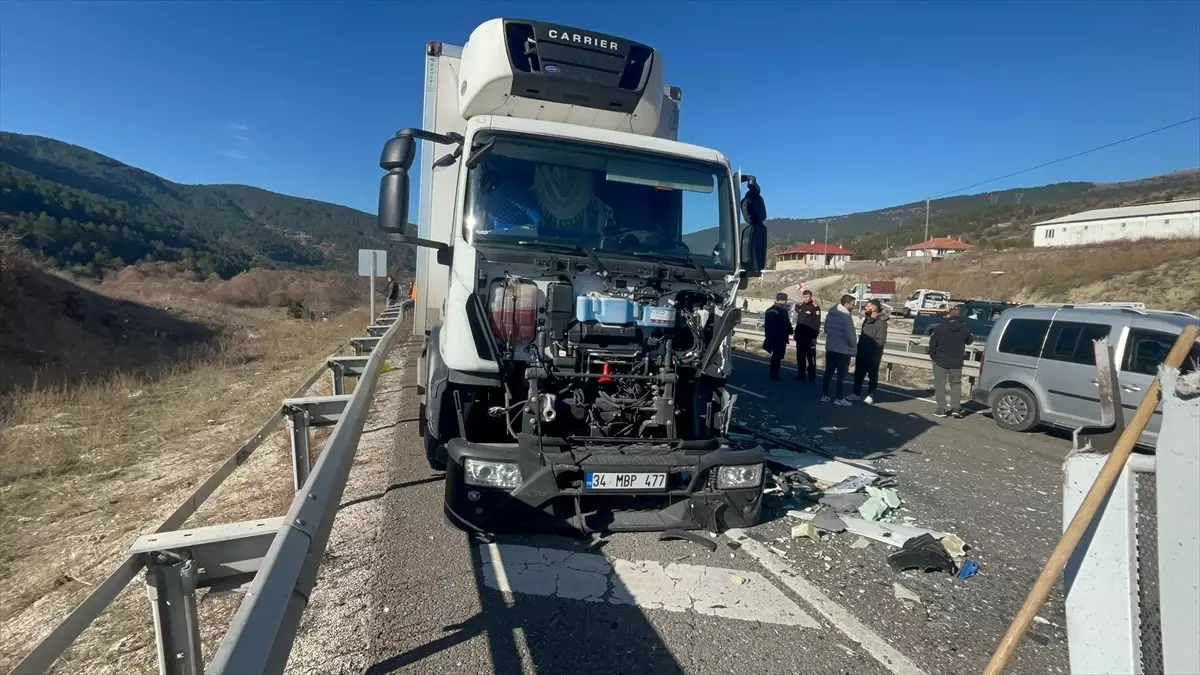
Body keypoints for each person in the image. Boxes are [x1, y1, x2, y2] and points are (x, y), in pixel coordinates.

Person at [927, 305, 975, 418]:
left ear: (948, 315)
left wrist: (932, 355)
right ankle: (956, 409)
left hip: (940, 360)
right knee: (956, 385)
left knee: (940, 385)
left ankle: (941, 409)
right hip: (956, 361)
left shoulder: (939, 327)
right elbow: (969, 341)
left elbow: (932, 344)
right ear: (959, 316)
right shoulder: (964, 328)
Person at [849, 299, 888, 403]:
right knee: (859, 373)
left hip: (873, 354)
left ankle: (871, 395)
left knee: (872, 374)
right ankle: (856, 393)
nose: (865, 308)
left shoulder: (882, 322)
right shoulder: (867, 319)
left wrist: (870, 348)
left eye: (867, 306)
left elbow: (881, 341)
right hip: (862, 351)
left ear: (874, 308)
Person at [822, 294, 858, 406]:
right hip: (843, 350)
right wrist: (854, 347)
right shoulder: (846, 316)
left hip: (831, 347)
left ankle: (825, 395)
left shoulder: (831, 313)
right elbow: (850, 335)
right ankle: (839, 398)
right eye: (853, 304)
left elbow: (826, 329)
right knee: (842, 376)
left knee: (828, 372)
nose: (854, 306)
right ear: (846, 304)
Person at [762, 292, 793, 381]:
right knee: (777, 356)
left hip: (770, 336)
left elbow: (766, 324)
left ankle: (772, 373)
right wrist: (790, 331)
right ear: (784, 300)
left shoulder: (769, 310)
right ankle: (774, 374)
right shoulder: (782, 311)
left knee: (774, 355)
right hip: (780, 337)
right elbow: (786, 324)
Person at [793, 290, 821, 381]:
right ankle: (801, 374)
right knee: (800, 356)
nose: (806, 298)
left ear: (811, 296)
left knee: (810, 357)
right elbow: (799, 321)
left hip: (809, 337)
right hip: (800, 336)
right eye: (804, 297)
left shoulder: (815, 308)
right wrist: (796, 334)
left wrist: (814, 337)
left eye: (807, 297)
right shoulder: (801, 306)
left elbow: (817, 324)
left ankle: (811, 376)